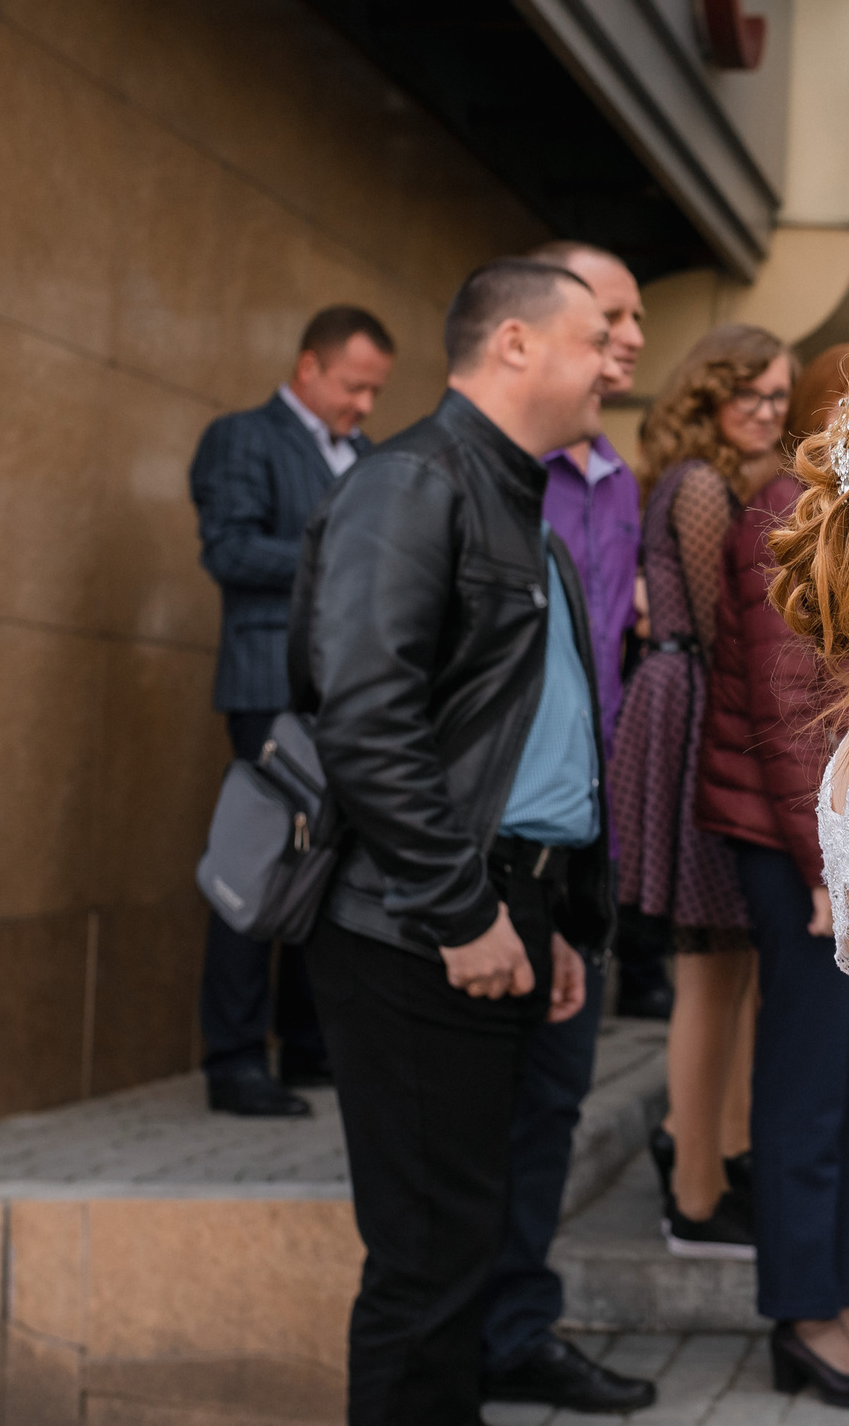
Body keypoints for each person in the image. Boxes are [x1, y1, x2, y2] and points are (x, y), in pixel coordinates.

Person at [289, 258, 621, 1425]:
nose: (615, 361)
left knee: (465, 1250)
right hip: (415, 921)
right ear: (516, 345)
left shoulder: (521, 502)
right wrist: (463, 909)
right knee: (427, 1267)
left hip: (499, 908)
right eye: (595, 338)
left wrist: (555, 914)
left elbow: (527, 744)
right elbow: (366, 720)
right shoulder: (413, 482)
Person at [695, 340, 849, 1408]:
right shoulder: (778, 515)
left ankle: (841, 1300)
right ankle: (801, 1313)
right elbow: (791, 715)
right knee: (805, 1088)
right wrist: (826, 864)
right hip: (805, 848)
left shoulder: (846, 509)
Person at [476, 242, 656, 1416]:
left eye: (635, 319)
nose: (629, 340)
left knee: (550, 1101)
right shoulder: (472, 477)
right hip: (481, 842)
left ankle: (516, 1333)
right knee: (474, 1118)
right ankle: (464, 1342)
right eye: (610, 318)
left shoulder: (614, 479)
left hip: (574, 832)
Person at [608, 322, 789, 1257]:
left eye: (778, 398)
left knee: (726, 965)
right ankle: (695, 1193)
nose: (766, 412)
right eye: (749, 394)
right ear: (709, 394)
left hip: (689, 703)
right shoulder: (705, 487)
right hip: (694, 713)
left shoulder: (709, 481)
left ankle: (714, 1158)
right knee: (710, 967)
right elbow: (734, 637)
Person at [187, 304, 394, 1117]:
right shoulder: (243, 437)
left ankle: (309, 1046)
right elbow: (228, 549)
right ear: (309, 366)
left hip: (350, 694)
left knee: (330, 866)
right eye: (354, 386)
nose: (365, 406)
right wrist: (344, 555)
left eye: (377, 391)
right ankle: (234, 1058)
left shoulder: (370, 455)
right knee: (259, 857)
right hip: (268, 689)